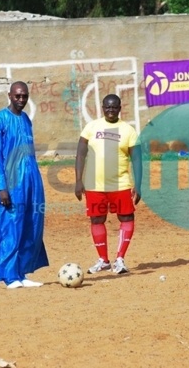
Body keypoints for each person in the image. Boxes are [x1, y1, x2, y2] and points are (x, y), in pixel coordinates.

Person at [0, 81, 49, 289]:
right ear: (10, 95)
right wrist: (1, 187)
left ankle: (21, 273)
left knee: (30, 225)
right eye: (17, 96)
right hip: (11, 183)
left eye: (24, 96)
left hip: (31, 180)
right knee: (10, 226)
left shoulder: (25, 120)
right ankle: (9, 276)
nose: (21, 100)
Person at [75, 94, 142, 275]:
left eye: (114, 107)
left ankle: (120, 258)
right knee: (97, 219)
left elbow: (137, 160)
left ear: (120, 108)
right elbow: (80, 154)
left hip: (120, 184)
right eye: (107, 107)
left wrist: (139, 184)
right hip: (94, 185)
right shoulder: (91, 127)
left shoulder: (128, 130)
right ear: (102, 108)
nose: (111, 110)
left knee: (126, 218)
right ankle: (103, 260)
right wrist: (78, 180)